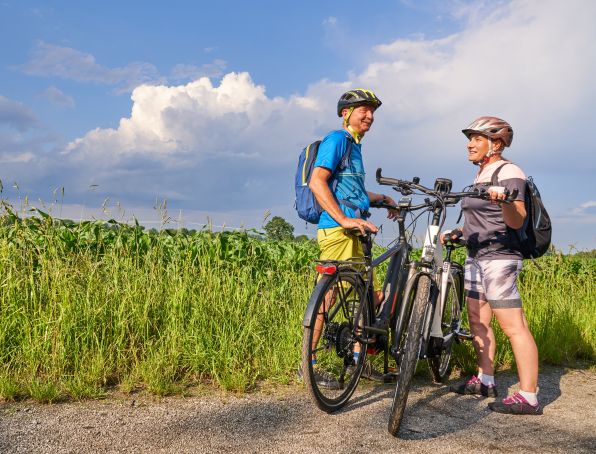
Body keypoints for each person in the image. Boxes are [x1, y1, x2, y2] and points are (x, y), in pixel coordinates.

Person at [445, 116, 541, 415]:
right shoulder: (481, 174)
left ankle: (528, 395)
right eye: (470, 138)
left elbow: (517, 218)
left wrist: (505, 201)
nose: (469, 144)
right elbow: (479, 219)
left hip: (500, 257)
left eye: (476, 138)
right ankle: (485, 380)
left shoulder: (509, 171)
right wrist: (458, 233)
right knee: (478, 321)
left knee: (513, 326)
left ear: (495, 143)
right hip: (476, 255)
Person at [307, 88, 398, 386]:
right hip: (337, 230)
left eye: (372, 111)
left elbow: (354, 193)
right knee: (331, 292)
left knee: (365, 296)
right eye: (363, 109)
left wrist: (383, 198)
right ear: (346, 113)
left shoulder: (354, 147)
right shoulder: (337, 140)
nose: (369, 115)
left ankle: (359, 360)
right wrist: (344, 219)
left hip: (355, 229)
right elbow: (316, 182)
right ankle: (309, 363)